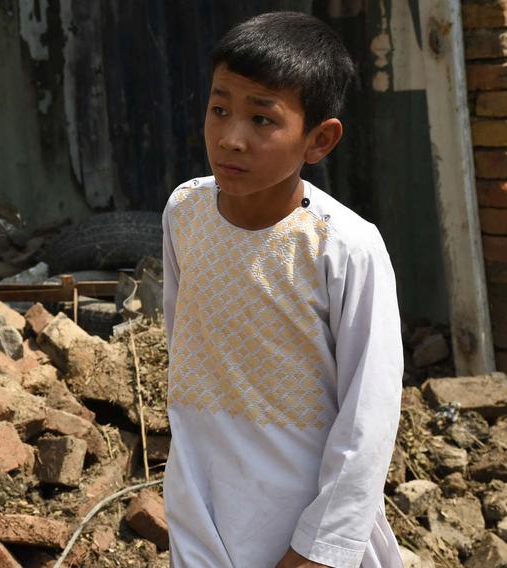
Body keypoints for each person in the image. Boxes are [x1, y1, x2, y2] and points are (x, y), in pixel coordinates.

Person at [161, 11, 404, 568]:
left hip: (303, 520)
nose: (230, 138)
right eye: (219, 108)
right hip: (203, 504)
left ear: (319, 139)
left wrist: (320, 547)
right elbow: (185, 348)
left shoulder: (342, 247)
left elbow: (369, 412)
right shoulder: (185, 212)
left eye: (262, 120)